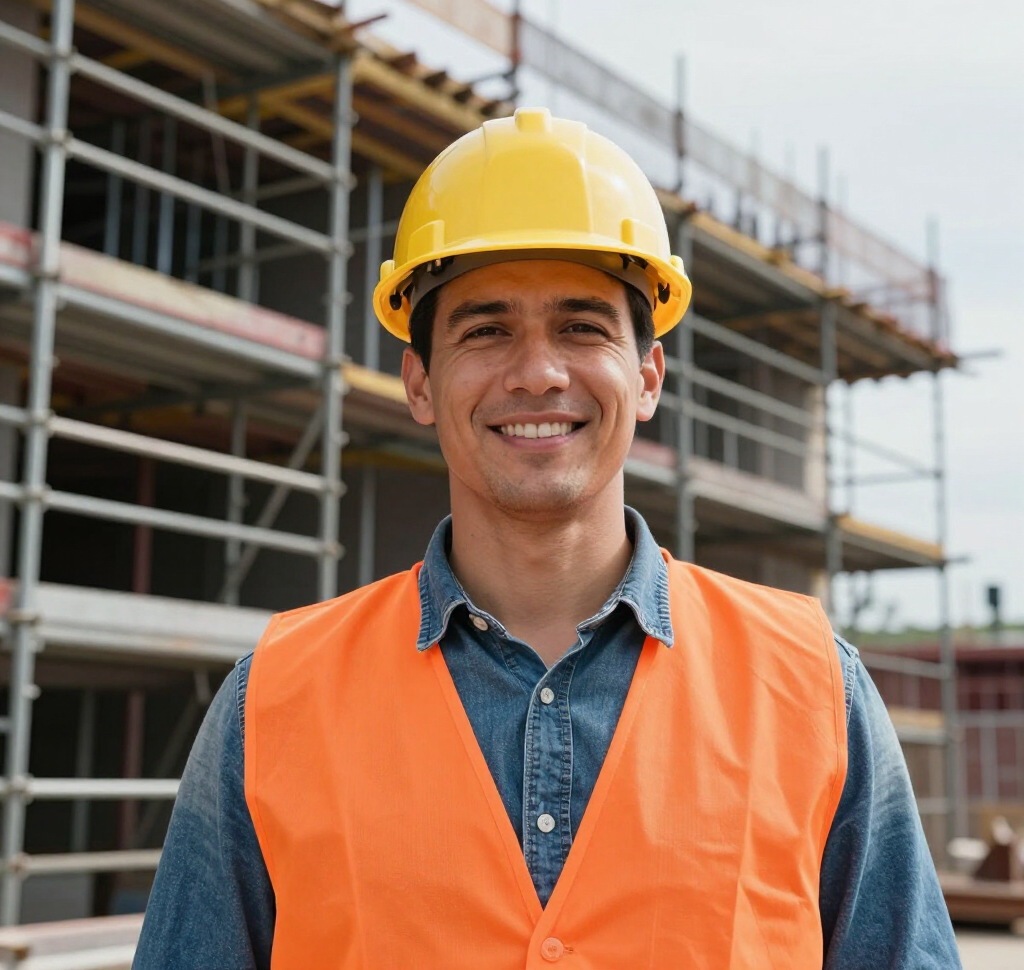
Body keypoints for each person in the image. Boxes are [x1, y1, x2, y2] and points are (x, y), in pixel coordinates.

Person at [134, 109, 961, 969]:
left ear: (646, 376)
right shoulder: (272, 700)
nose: (538, 372)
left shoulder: (814, 687)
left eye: (582, 326)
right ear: (420, 382)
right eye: (486, 329)